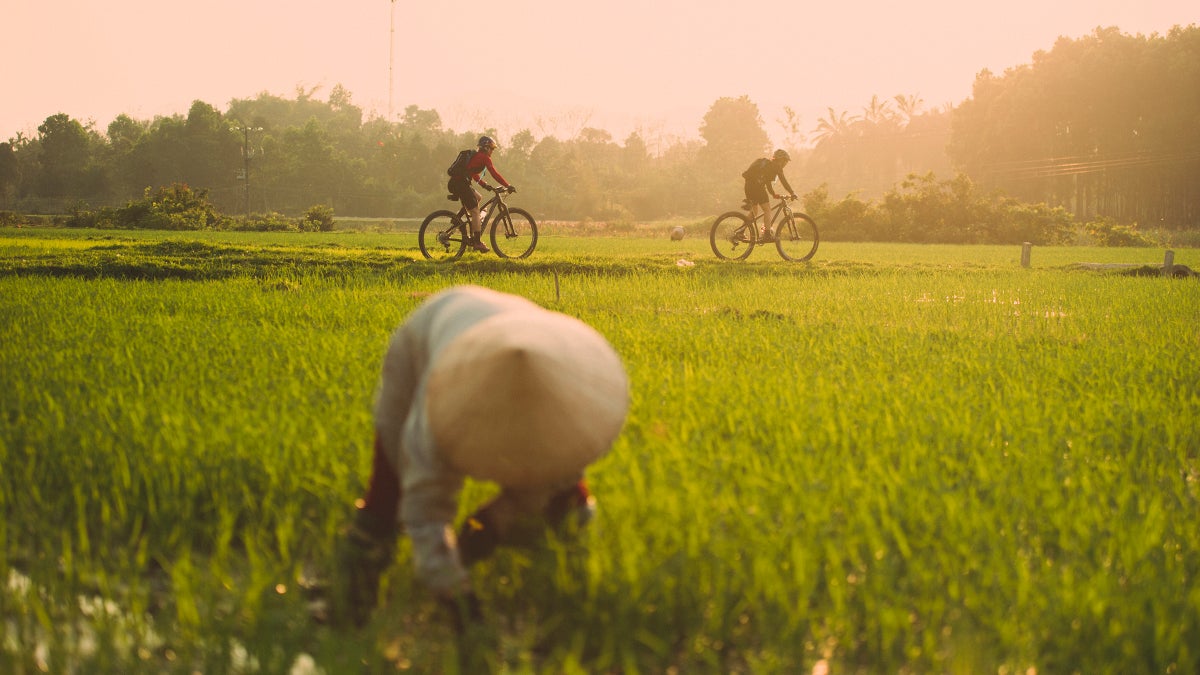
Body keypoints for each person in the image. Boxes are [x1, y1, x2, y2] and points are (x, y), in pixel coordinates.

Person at [330, 285, 629, 630]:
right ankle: (354, 590)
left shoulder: (565, 409)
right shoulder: (439, 414)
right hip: (429, 331)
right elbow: (425, 512)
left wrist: (493, 521)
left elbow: (550, 469)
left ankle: (564, 580)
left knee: (557, 483)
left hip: (521, 336)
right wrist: (458, 597)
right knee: (389, 487)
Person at [447, 136, 516, 254]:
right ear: (486, 147)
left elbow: (473, 174)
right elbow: (494, 173)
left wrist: (485, 185)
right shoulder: (484, 158)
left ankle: (457, 219)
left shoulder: (476, 156)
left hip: (456, 183)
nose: (492, 152)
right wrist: (507, 185)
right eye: (492, 149)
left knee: (478, 197)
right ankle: (477, 242)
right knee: (475, 211)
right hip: (460, 184)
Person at [741, 149, 797, 242]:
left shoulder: (767, 164)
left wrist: (773, 194)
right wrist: (792, 192)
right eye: (785, 161)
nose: (785, 163)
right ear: (780, 159)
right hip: (757, 187)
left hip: (749, 186)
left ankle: (740, 231)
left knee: (754, 211)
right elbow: (783, 181)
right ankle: (767, 234)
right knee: (767, 209)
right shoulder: (776, 167)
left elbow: (767, 182)